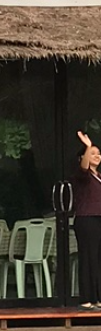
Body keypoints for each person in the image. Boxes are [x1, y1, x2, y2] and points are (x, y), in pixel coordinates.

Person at [74, 130, 101, 308]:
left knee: (98, 258)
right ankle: (86, 299)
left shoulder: (99, 177)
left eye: (98, 153)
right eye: (93, 153)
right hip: (86, 219)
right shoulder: (82, 176)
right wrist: (87, 146)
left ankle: (97, 297)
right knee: (88, 257)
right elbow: (84, 167)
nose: (97, 156)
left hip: (98, 219)